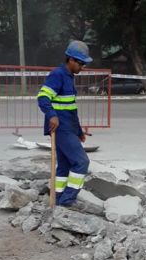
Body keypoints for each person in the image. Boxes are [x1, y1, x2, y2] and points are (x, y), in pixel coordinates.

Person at [37, 40, 92, 206]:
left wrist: (79, 131)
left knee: (64, 166)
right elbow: (43, 97)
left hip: (69, 128)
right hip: (61, 129)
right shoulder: (58, 75)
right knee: (82, 162)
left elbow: (71, 109)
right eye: (81, 63)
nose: (82, 67)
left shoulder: (69, 77)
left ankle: (58, 199)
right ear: (71, 60)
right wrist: (52, 115)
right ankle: (68, 200)